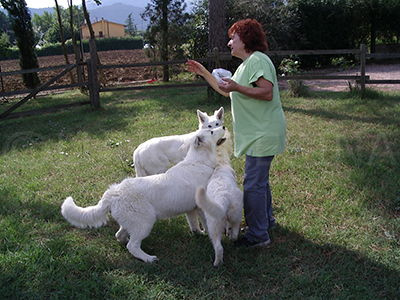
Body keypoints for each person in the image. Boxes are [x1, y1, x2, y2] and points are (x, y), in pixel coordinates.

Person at [186, 19, 286, 247]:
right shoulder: (245, 65)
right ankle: (266, 222)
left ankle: (258, 234)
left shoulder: (258, 60)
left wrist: (237, 87)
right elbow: (226, 90)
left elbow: (266, 92)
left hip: (263, 132)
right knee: (260, 183)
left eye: (233, 38)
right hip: (258, 133)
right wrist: (203, 72)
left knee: (253, 185)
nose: (230, 42)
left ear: (246, 38)